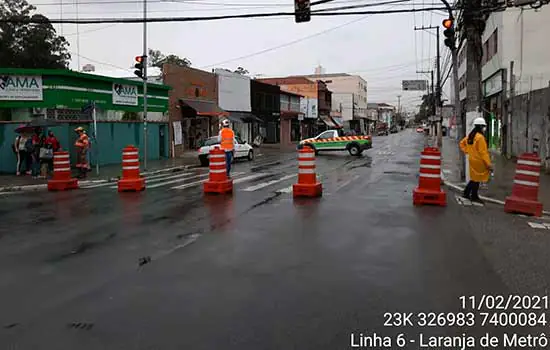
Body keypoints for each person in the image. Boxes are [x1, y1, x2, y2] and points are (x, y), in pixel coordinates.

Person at [459, 117, 493, 203]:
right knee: (477, 179)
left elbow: (461, 143)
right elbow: (483, 152)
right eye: (483, 126)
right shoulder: (480, 138)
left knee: (474, 178)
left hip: (472, 159)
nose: (484, 128)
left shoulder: (471, 135)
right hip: (479, 161)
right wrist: (489, 164)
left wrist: (467, 151)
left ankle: (467, 193)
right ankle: (473, 195)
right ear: (481, 127)